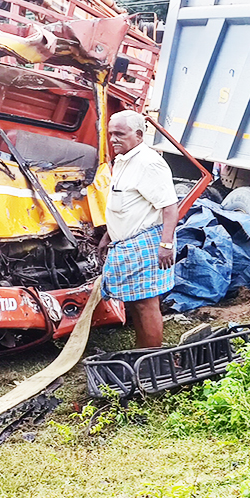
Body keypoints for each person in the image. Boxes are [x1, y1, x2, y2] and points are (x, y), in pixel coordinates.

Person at [98, 110, 179, 349]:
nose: (113, 139)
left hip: (146, 244)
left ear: (139, 135)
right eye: (111, 133)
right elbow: (123, 206)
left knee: (146, 304)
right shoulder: (123, 160)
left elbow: (170, 208)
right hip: (125, 244)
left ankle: (151, 359)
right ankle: (142, 353)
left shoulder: (149, 163)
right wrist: (107, 236)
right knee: (136, 302)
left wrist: (166, 245)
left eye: (120, 134)